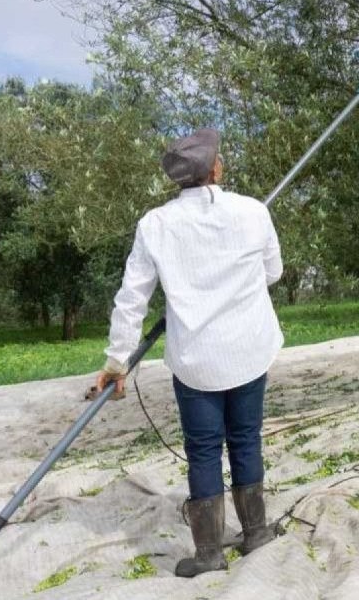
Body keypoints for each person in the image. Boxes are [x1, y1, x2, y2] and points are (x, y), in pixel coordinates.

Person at [93, 128, 283, 577]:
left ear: (179, 178)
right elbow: (272, 272)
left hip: (197, 359)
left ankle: (209, 554)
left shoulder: (155, 225)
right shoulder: (253, 212)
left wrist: (117, 361)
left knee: (202, 450)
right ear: (214, 169)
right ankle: (255, 533)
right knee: (245, 439)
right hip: (249, 349)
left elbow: (132, 298)